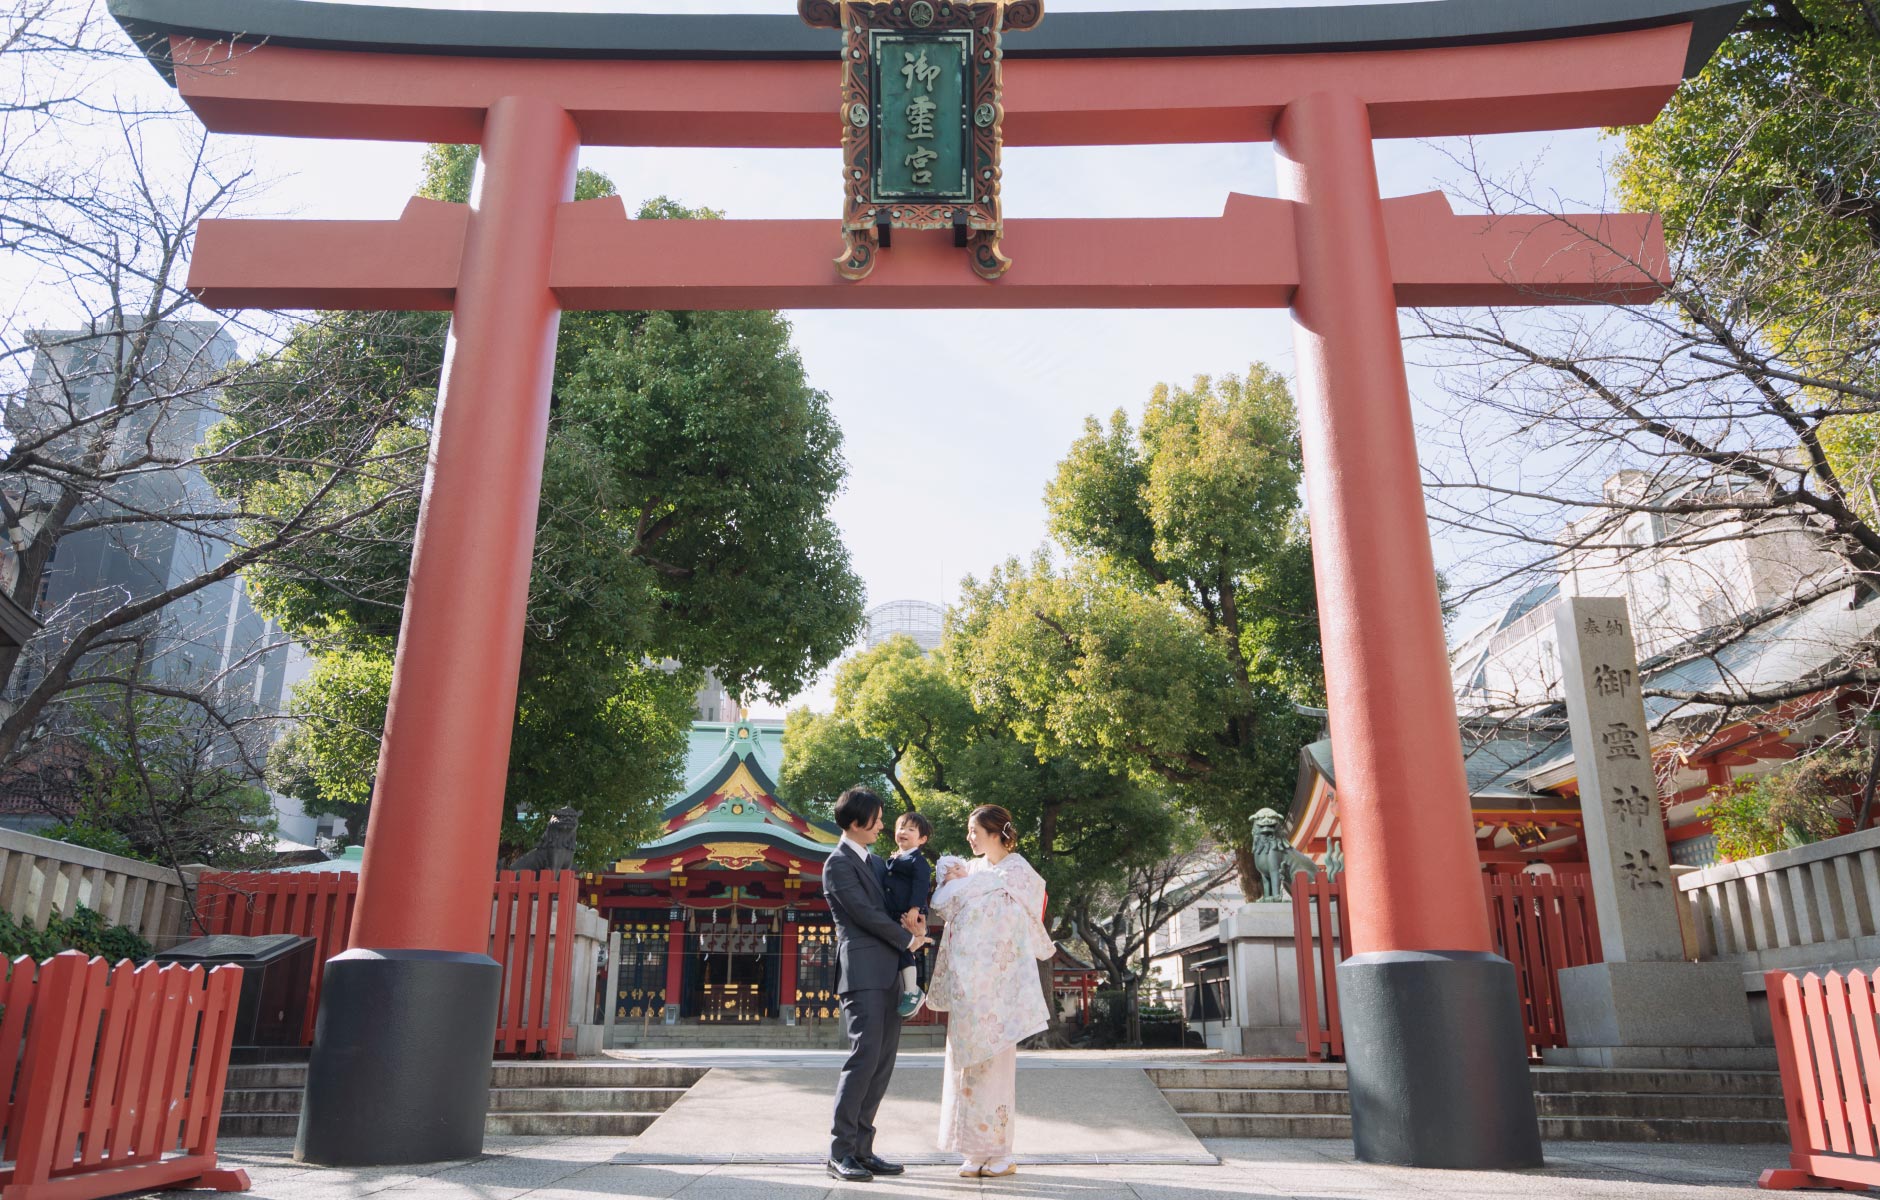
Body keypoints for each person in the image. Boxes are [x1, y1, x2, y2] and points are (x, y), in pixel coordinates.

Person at [924, 803, 1056, 1179]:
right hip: (970, 984)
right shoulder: (976, 868)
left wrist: (966, 887)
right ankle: (972, 1151)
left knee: (995, 1068)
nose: (969, 837)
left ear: (997, 832)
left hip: (998, 987)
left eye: (974, 830)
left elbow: (1016, 919)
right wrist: (958, 880)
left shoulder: (1018, 871)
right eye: (969, 831)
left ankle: (1000, 1151)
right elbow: (943, 901)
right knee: (964, 1066)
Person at [823, 786, 931, 1184]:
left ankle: (863, 1150)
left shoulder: (877, 862)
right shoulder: (837, 865)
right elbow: (866, 915)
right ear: (856, 822)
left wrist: (916, 922)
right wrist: (909, 940)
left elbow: (901, 898)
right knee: (863, 1059)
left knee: (882, 1064)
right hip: (863, 973)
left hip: (889, 973)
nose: (884, 825)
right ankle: (840, 1152)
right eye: (878, 819)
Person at [883, 810, 935, 1017]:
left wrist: (914, 908)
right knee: (900, 950)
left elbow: (922, 886)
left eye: (910, 829)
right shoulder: (894, 858)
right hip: (893, 912)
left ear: (922, 839)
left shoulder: (918, 862)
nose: (903, 832)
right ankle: (909, 990)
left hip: (907, 913)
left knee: (905, 949)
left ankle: (913, 990)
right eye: (900, 827)